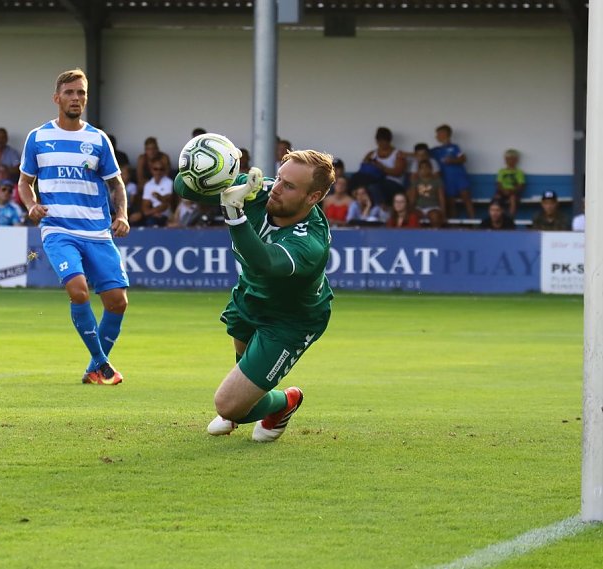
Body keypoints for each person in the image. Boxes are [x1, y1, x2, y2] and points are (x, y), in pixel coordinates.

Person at [173, 150, 335, 442]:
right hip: (250, 297)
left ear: (313, 197)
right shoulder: (258, 190)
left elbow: (266, 262)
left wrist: (234, 216)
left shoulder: (310, 242)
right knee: (242, 398)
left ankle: (286, 402)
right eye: (280, 178)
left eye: (289, 186)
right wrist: (211, 166)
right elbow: (183, 187)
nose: (276, 188)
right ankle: (251, 402)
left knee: (229, 406)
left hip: (291, 321)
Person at [18, 68, 130, 386]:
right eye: (69, 92)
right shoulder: (38, 137)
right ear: (57, 98)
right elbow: (24, 183)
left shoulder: (97, 139)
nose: (76, 98)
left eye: (81, 93)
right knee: (78, 290)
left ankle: (96, 366)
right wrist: (31, 205)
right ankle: (104, 366)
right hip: (58, 229)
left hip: (96, 231)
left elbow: (117, 184)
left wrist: (121, 214)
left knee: (117, 302)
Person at [351, 126, 406, 207]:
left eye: (383, 141)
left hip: (392, 183)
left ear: (389, 141)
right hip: (373, 179)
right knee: (355, 179)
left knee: (373, 187)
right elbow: (363, 168)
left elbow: (398, 172)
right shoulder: (372, 154)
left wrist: (382, 168)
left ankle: (381, 209)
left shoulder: (397, 154)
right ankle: (356, 207)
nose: (381, 144)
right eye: (379, 141)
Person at [431, 124, 474, 220]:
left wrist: (452, 160)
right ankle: (453, 226)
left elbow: (463, 158)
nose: (436, 136)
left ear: (445, 134)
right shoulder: (436, 150)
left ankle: (473, 222)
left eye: (438, 134)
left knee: (466, 198)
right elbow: (422, 153)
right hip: (446, 179)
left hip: (459, 177)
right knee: (451, 202)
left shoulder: (455, 147)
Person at [407, 159, 446, 228]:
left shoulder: (437, 181)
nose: (424, 170)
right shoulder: (416, 181)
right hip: (419, 207)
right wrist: (410, 209)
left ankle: (435, 235)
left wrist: (443, 213)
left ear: (431, 169)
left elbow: (441, 198)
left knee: (435, 217)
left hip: (433, 207)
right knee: (412, 216)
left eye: (426, 167)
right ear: (418, 171)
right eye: (421, 168)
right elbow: (412, 198)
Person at [139, 158, 173, 227]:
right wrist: (154, 212)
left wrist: (158, 196)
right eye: (155, 169)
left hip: (166, 215)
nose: (158, 172)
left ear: (164, 171)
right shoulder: (148, 185)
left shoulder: (169, 182)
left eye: (161, 169)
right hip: (152, 215)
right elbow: (145, 207)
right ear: (151, 170)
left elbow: (166, 203)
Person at [494, 148, 526, 217]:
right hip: (502, 191)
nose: (509, 161)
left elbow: (521, 185)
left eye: (511, 159)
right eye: (507, 159)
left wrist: (512, 190)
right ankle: (496, 216)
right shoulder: (501, 171)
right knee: (496, 199)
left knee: (513, 198)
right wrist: (503, 190)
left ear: (516, 160)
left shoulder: (519, 172)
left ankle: (511, 218)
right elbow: (498, 184)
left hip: (513, 192)